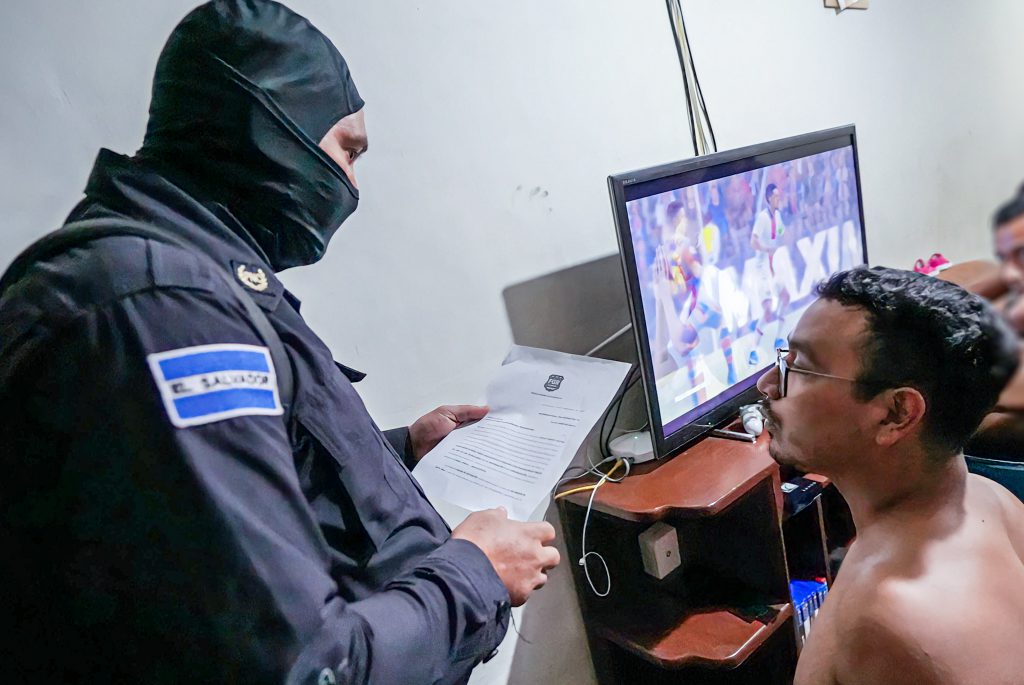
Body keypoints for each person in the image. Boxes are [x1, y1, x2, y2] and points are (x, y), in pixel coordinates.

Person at [0, 2, 559, 683]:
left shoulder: (183, 280)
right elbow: (299, 666)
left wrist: (401, 447)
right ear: (272, 131)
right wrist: (476, 573)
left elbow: (236, 483)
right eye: (347, 151)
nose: (351, 185)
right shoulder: (164, 314)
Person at [757, 267, 1024, 685]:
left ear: (897, 414)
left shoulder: (884, 621)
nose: (767, 385)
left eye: (801, 369)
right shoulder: (992, 499)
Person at [748, 182, 792, 366]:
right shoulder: (762, 218)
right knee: (767, 311)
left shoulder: (778, 216)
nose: (778, 198)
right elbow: (753, 242)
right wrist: (767, 249)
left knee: (785, 297)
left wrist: (787, 236)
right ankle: (752, 350)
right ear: (768, 199)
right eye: (775, 196)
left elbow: (781, 232)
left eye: (779, 195)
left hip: (773, 266)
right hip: (762, 269)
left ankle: (779, 339)